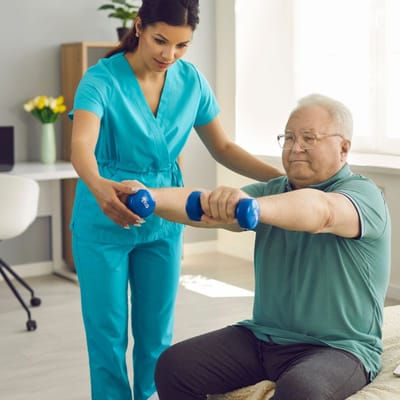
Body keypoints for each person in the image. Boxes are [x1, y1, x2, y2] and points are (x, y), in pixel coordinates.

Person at [68, 1, 282, 399]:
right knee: (107, 336)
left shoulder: (191, 82)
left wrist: (283, 181)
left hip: (165, 218)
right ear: (139, 26)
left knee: (156, 335)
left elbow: (223, 147)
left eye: (182, 45)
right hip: (104, 221)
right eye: (160, 40)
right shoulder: (100, 80)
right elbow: (81, 146)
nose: (169, 54)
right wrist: (99, 188)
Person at [136, 93, 391, 400]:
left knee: (301, 390)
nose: (296, 148)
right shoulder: (273, 191)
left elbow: (321, 212)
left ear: (344, 148)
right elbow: (201, 209)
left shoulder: (363, 194)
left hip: (339, 348)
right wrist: (148, 198)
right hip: (262, 338)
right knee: (174, 365)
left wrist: (252, 207)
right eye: (289, 138)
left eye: (309, 138)